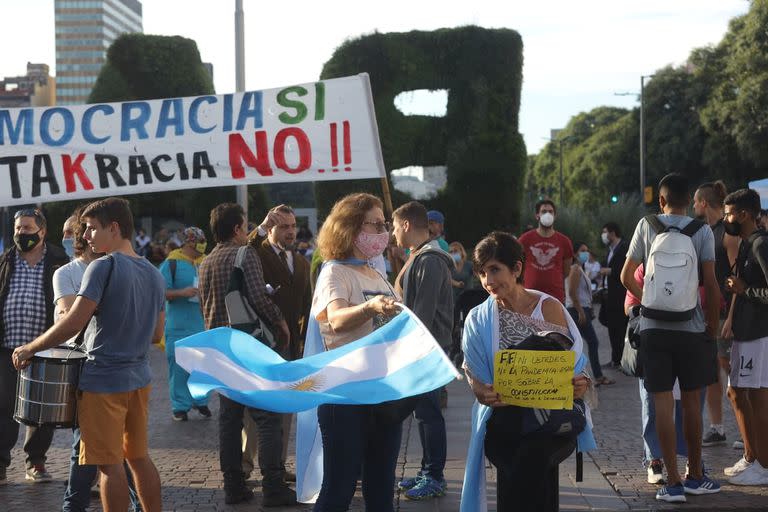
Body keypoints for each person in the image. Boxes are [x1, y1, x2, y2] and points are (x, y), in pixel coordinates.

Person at [12, 197, 165, 511]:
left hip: (103, 381)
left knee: (109, 466)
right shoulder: (154, 273)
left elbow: (73, 322)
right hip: (140, 378)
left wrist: (31, 347)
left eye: (93, 229)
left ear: (114, 227)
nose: (85, 237)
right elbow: (156, 334)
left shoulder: (102, 266)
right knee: (138, 458)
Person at [459, 231, 594, 512]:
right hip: (501, 418)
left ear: (517, 268)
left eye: (495, 270)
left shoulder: (548, 308)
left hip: (554, 420)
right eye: (482, 273)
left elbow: (575, 366)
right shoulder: (478, 318)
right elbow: (472, 370)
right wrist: (481, 391)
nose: (488, 281)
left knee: (531, 456)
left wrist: (580, 384)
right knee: (518, 458)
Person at [620, 173, 721, 502]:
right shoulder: (702, 230)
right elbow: (712, 283)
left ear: (661, 201)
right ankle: (695, 474)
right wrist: (711, 324)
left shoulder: (647, 225)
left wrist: (647, 299)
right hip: (691, 328)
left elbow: (625, 276)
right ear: (687, 199)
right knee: (692, 403)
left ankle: (672, 483)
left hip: (654, 329)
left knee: (662, 403)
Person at [196, 202, 294, 506]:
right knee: (267, 416)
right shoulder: (245, 254)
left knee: (230, 420)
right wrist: (280, 322)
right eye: (245, 224)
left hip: (219, 347)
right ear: (238, 228)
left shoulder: (207, 260)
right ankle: (274, 486)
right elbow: (258, 297)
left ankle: (233, 486)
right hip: (249, 346)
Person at [310, 193, 402, 512]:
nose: (382, 231)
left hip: (383, 394)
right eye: (375, 224)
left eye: (383, 224)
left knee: (381, 491)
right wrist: (370, 306)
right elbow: (336, 320)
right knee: (339, 489)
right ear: (350, 228)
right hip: (345, 396)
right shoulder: (335, 272)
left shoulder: (376, 274)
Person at [54, 206, 142, 512]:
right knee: (89, 443)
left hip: (114, 366)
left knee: (115, 447)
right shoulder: (67, 273)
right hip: (82, 362)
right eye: (69, 232)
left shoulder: (115, 266)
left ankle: (127, 502)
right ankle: (77, 504)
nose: (75, 236)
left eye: (78, 230)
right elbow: (69, 316)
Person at [244, 204, 312, 482]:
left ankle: (278, 466)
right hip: (262, 341)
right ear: (270, 229)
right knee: (255, 405)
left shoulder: (303, 262)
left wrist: (307, 340)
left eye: (293, 226)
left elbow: (307, 304)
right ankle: (245, 463)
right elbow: (243, 249)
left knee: (285, 405)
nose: (290, 231)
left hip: (292, 345)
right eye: (283, 226)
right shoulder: (256, 255)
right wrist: (258, 228)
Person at [0, 208, 69, 484]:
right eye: (18, 228)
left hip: (44, 348)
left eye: (27, 228)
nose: (21, 233)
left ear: (42, 232)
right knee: (3, 406)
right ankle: (1, 464)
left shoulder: (57, 261)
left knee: (42, 410)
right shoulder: (5, 260)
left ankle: (36, 462)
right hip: (7, 347)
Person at [391, 201, 454, 500]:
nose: (392, 233)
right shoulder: (419, 255)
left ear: (406, 225)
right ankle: (428, 469)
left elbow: (423, 314)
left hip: (427, 348)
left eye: (393, 226)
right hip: (423, 347)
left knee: (429, 413)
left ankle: (434, 475)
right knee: (423, 413)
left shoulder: (429, 260)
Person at [626, 264, 691, 486]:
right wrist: (644, 308)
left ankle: (692, 458)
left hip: (685, 337)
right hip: (652, 341)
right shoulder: (644, 267)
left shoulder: (690, 258)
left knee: (688, 402)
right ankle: (654, 460)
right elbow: (629, 303)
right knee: (651, 403)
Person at [721, 189, 768, 486]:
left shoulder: (761, 244)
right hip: (746, 333)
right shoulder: (748, 243)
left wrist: (745, 290)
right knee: (737, 392)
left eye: (729, 214)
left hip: (758, 335)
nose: (727, 220)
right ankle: (752, 457)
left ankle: (762, 464)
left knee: (756, 397)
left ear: (745, 215)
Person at [693, 181, 739, 447]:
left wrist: (732, 316)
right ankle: (717, 427)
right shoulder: (702, 231)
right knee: (710, 371)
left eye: (696, 202)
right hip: (705, 311)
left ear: (703, 203)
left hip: (725, 312)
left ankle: (747, 429)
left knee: (731, 368)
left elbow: (737, 277)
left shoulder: (728, 233)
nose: (693, 206)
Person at [158, 227, 211, 422]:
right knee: (179, 367)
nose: (203, 244)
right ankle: (180, 406)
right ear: (188, 243)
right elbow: (160, 292)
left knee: (202, 365)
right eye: (199, 240)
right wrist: (182, 293)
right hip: (177, 325)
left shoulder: (205, 262)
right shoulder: (171, 264)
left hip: (201, 324)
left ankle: (201, 401)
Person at [567, 242, 613, 386]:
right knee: (591, 342)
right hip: (577, 310)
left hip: (581, 309)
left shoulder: (580, 268)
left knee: (577, 343)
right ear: (575, 254)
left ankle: (580, 376)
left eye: (587, 250)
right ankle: (596, 376)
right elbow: (572, 292)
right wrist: (581, 311)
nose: (586, 253)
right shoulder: (575, 268)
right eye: (582, 251)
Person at [518, 199, 574, 303]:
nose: (547, 214)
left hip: (555, 297)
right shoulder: (524, 240)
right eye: (544, 211)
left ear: (555, 216)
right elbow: (517, 266)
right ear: (537, 216)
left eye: (550, 211)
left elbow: (566, 271)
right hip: (529, 296)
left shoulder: (564, 241)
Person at [598, 222, 629, 369]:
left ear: (612, 232)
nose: (603, 235)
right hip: (608, 296)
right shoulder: (610, 249)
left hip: (619, 297)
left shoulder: (623, 247)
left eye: (605, 232)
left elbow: (624, 270)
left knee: (620, 329)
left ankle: (621, 360)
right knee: (612, 329)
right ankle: (615, 359)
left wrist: (608, 271)